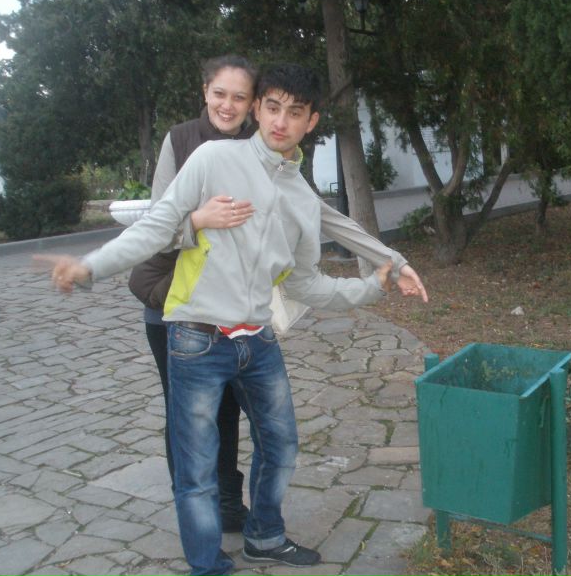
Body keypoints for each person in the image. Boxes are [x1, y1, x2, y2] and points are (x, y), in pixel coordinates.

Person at [37, 63, 406, 576]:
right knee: (197, 469)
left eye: (294, 112)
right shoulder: (213, 158)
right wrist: (89, 266)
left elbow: (304, 284)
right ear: (257, 109)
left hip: (258, 341)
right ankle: (208, 566)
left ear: (311, 122)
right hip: (196, 339)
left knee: (281, 446)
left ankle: (265, 537)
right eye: (272, 108)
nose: (280, 121)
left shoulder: (300, 195)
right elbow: (156, 226)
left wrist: (373, 285)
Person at [126, 55, 428, 534]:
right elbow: (157, 227)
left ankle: (228, 506)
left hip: (236, 314)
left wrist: (390, 257)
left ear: (253, 104)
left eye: (239, 97)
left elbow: (323, 216)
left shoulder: (270, 152)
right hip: (170, 302)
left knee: (232, 412)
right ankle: (202, 517)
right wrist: (199, 220)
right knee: (190, 421)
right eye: (219, 94)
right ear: (205, 93)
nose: (228, 105)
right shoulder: (184, 141)